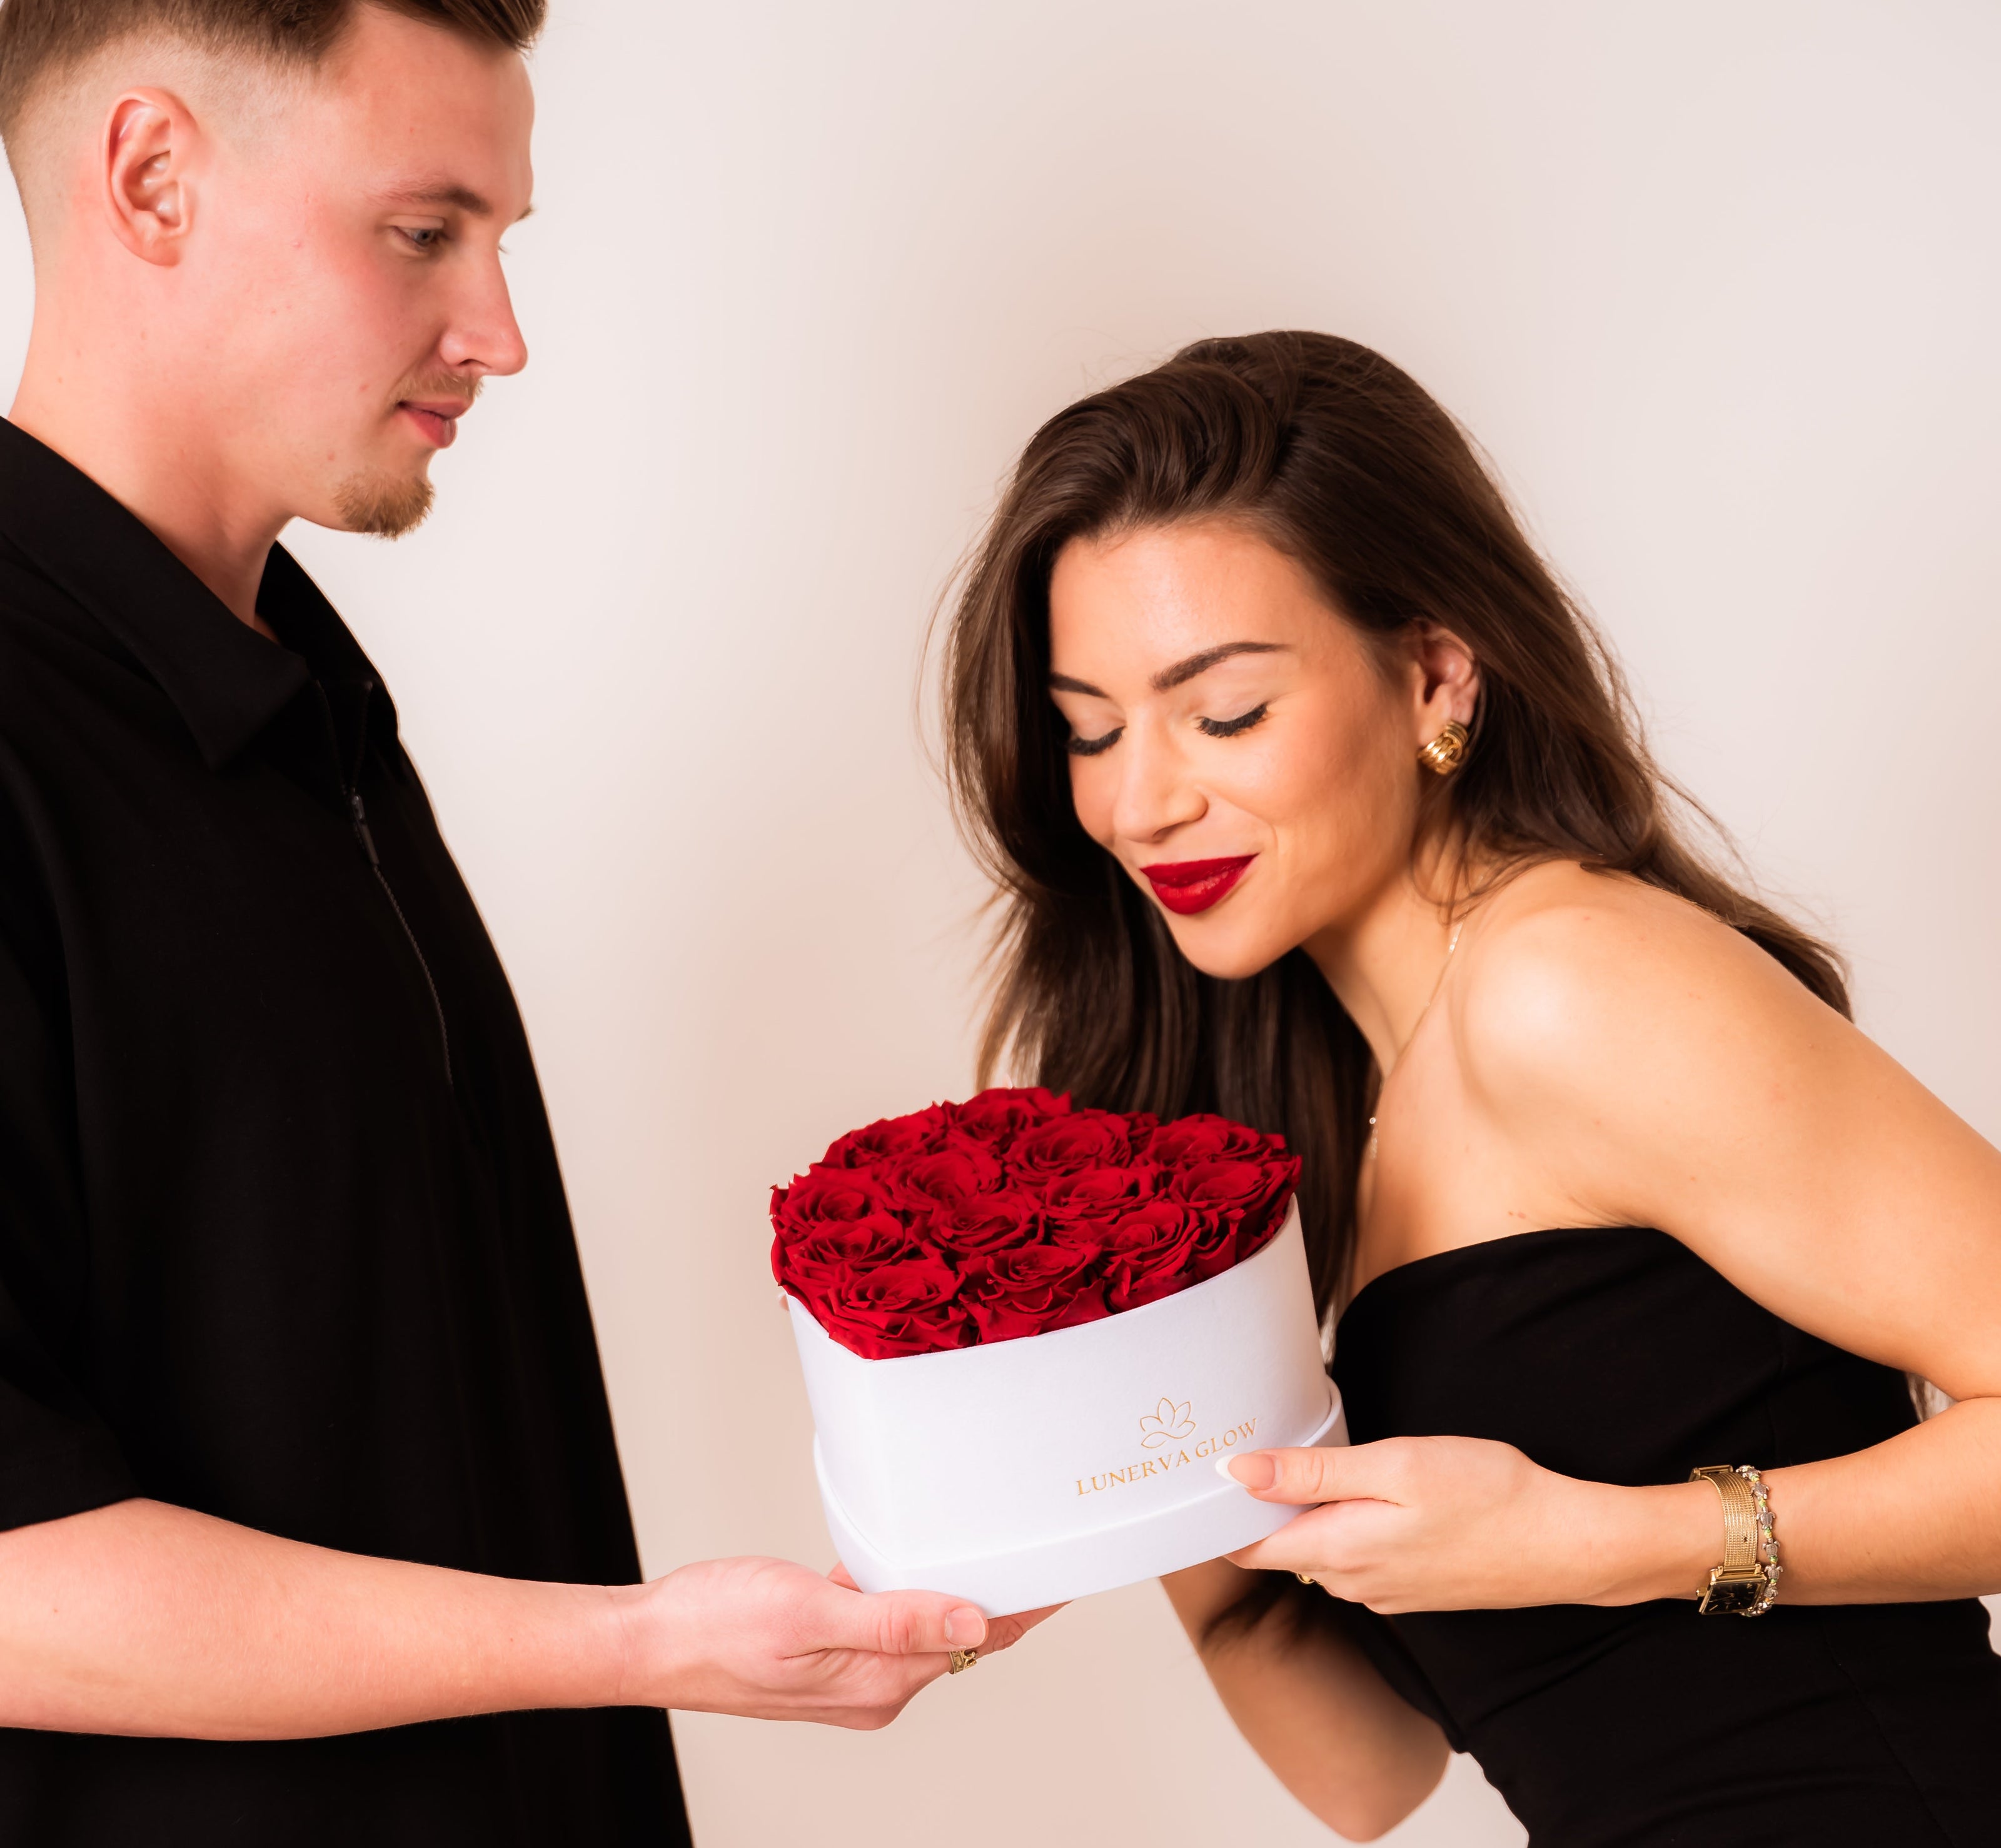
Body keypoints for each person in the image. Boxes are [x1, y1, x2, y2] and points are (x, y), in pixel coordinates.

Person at [0, 3, 1035, 1842]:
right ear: (151, 179)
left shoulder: (305, 703)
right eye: (423, 231)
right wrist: (639, 1644)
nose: (499, 330)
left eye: (499, 239)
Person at [939, 329, 2001, 1844]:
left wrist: (1606, 1538)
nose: (1138, 799)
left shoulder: (1566, 982)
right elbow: (1368, 1772)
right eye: (1088, 729)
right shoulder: (1344, 1104)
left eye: (1222, 712)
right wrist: (1140, 1472)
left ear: (1435, 673)